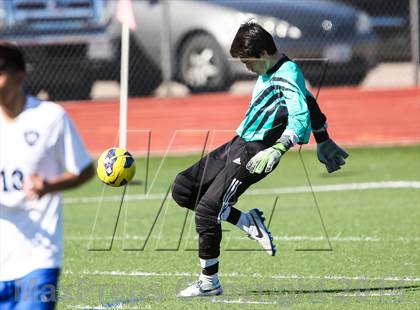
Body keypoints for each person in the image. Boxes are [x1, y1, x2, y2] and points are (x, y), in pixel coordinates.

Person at [172, 22, 349, 298]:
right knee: (183, 188)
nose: (246, 67)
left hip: (256, 152)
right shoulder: (272, 68)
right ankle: (246, 221)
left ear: (264, 52)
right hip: (237, 144)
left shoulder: (287, 74)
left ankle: (209, 282)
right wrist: (323, 136)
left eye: (248, 61)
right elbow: (310, 101)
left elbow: (300, 115)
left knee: (208, 210)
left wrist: (279, 148)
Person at [0, 42, 94, 309]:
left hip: (38, 261)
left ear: (19, 77)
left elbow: (84, 169)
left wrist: (48, 186)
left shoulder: (50, 118)